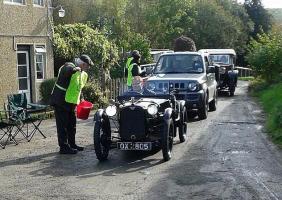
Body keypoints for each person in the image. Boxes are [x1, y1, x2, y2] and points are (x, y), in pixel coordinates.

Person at [50, 54, 93, 154]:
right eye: (87, 66)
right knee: (62, 126)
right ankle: (64, 147)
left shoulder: (83, 74)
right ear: (82, 64)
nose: (88, 68)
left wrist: (81, 98)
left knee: (72, 125)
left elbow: (79, 87)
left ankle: (72, 144)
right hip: (61, 101)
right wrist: (75, 69)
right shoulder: (69, 66)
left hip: (71, 103)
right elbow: (67, 71)